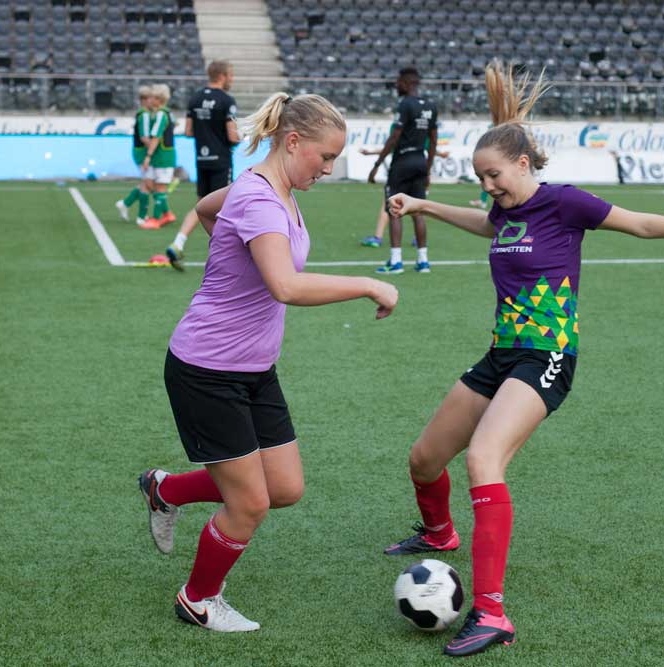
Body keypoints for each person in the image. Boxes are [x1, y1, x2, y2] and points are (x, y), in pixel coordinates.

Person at [382, 60, 664, 658]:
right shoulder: (504, 209)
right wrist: (426, 207)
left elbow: (641, 225)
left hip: (548, 356)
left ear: (524, 164)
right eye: (482, 178)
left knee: (483, 458)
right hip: (501, 354)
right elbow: (488, 224)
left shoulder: (565, 203)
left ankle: (493, 613)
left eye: (495, 175)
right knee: (424, 459)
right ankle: (440, 534)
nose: (489, 187)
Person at [137, 92, 399, 633]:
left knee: (283, 489)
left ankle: (166, 489)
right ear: (293, 141)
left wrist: (230, 250)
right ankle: (198, 599)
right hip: (207, 369)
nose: (329, 169)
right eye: (325, 157)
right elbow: (284, 285)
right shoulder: (259, 198)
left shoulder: (268, 189)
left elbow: (209, 208)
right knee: (250, 503)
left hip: (253, 368)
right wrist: (367, 283)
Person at [165, 60, 240, 271]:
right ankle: (226, 257)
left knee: (202, 205)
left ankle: (178, 242)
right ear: (223, 76)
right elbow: (232, 136)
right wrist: (241, 136)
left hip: (202, 160)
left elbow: (188, 131)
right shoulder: (227, 100)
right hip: (221, 161)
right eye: (231, 75)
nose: (232, 79)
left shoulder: (195, 98)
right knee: (225, 209)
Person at [368, 66, 437, 274]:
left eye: (399, 82)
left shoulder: (405, 104)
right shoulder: (431, 106)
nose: (396, 85)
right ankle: (423, 261)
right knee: (418, 212)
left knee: (395, 210)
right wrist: (428, 169)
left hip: (402, 162)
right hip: (420, 161)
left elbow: (394, 137)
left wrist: (377, 164)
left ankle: (396, 261)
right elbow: (433, 141)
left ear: (407, 83)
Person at [359, 144, 450, 249]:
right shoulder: (422, 130)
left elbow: (391, 145)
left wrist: (373, 159)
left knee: (389, 203)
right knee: (417, 205)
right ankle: (418, 240)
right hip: (418, 170)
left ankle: (378, 238)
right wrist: (440, 155)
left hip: (400, 170)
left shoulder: (400, 129)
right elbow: (429, 145)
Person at [115, 86, 154, 225]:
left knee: (147, 183)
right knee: (147, 183)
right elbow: (144, 137)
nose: (153, 101)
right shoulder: (144, 114)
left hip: (139, 151)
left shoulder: (142, 113)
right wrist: (153, 149)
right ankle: (141, 216)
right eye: (151, 98)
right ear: (144, 100)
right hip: (141, 151)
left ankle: (125, 203)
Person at [140, 84, 177, 229]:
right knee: (157, 186)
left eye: (153, 97)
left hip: (163, 156)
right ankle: (167, 214)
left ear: (159, 99)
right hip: (164, 155)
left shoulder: (161, 114)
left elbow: (155, 137)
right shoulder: (167, 113)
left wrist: (148, 156)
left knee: (160, 188)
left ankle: (156, 219)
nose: (150, 100)